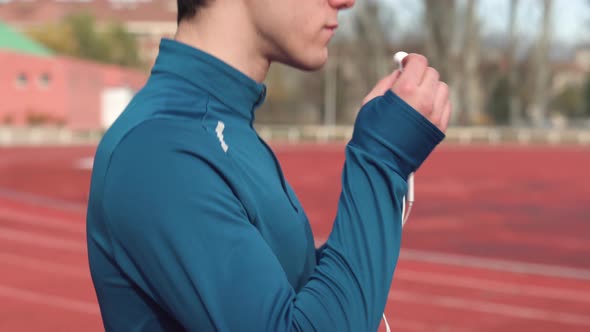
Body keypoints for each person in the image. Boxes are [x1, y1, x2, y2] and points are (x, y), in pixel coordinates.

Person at [86, 0, 452, 331]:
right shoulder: (159, 150)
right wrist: (380, 161)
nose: (345, 1)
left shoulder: (220, 125)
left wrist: (385, 168)